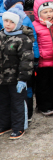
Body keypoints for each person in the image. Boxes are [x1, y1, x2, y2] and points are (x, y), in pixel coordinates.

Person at [0, 10, 34, 140]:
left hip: (16, 79)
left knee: (17, 103)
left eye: (11, 22)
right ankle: (5, 124)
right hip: (2, 78)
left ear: (18, 23)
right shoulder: (1, 35)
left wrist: (23, 79)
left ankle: (18, 127)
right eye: (6, 21)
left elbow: (26, 61)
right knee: (3, 103)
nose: (8, 24)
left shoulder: (23, 39)